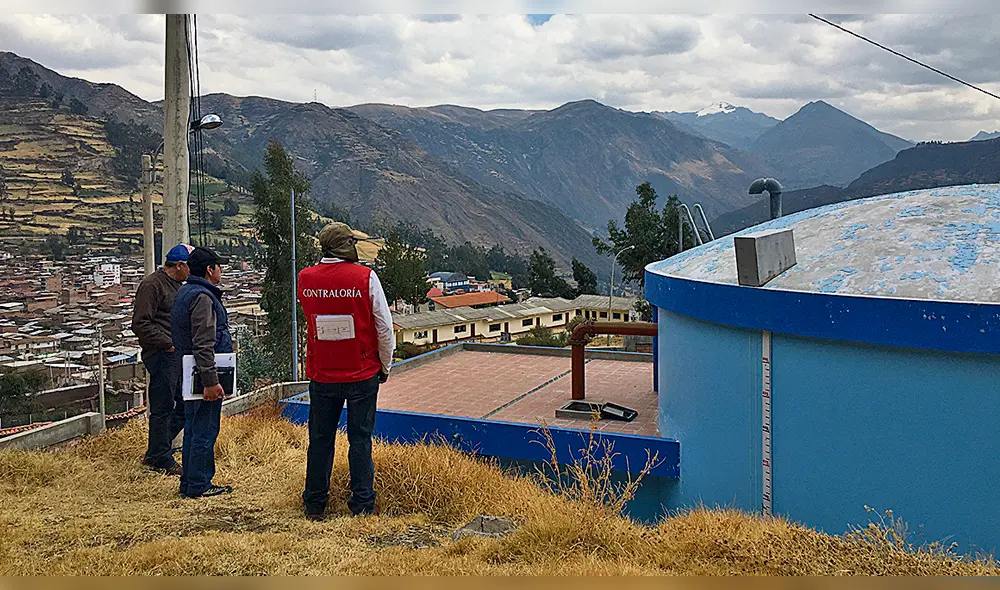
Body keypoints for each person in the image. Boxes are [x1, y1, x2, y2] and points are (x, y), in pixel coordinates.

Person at [297, 222, 395, 521]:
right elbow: (384, 326)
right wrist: (385, 365)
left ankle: (315, 503)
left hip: (322, 372)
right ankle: (362, 504)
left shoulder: (305, 278)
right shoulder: (365, 277)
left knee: (320, 439)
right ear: (346, 245)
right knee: (360, 440)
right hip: (361, 371)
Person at [171, 246, 234, 498]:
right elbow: (203, 342)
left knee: (193, 427)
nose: (221, 271)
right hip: (201, 376)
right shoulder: (203, 298)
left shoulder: (185, 292)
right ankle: (199, 484)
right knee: (204, 430)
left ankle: (190, 482)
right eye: (219, 266)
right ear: (209, 269)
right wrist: (210, 380)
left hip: (189, 372)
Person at [132, 243, 193, 476]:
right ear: (179, 265)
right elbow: (141, 323)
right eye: (190, 266)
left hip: (177, 355)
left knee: (184, 404)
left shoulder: (177, 286)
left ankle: (158, 450)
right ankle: (160, 457)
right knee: (163, 407)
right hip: (162, 354)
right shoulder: (152, 285)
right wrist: (168, 343)